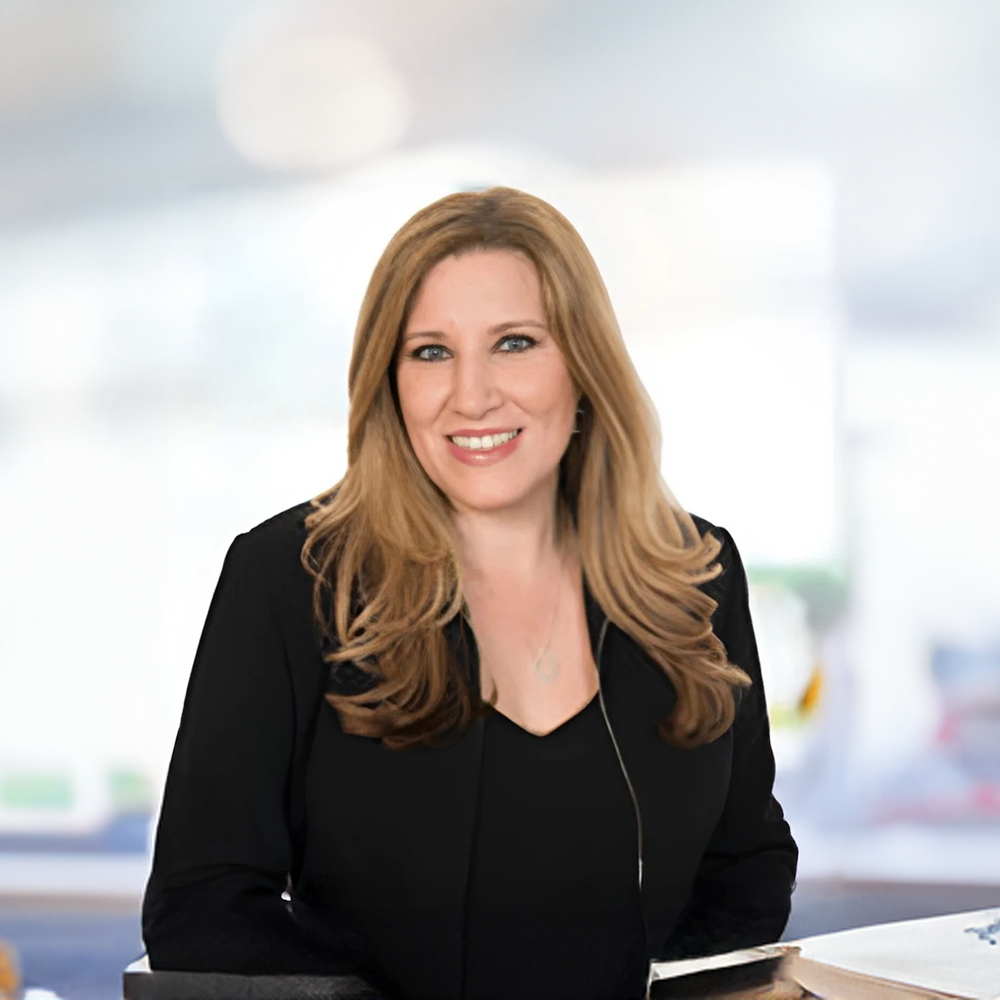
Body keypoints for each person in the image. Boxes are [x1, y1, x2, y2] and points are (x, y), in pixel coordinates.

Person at [141, 186, 798, 1000]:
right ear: (390, 380)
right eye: (431, 352)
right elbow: (201, 907)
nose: (474, 395)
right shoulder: (289, 580)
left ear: (585, 367)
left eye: (516, 343)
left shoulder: (695, 572)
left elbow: (747, 866)